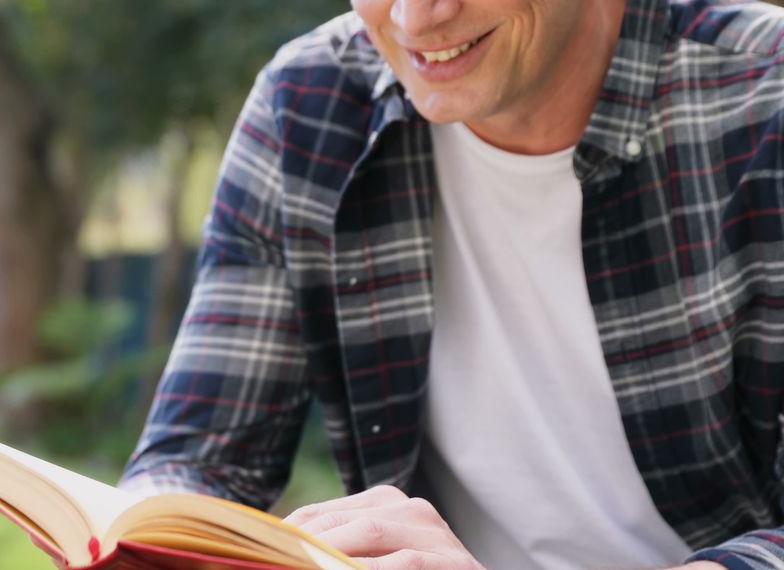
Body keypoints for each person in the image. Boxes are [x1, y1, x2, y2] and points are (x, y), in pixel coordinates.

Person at [112, 0, 784, 568]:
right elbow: (201, 460)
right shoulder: (308, 106)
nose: (415, 19)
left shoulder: (765, 95)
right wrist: (129, 531)